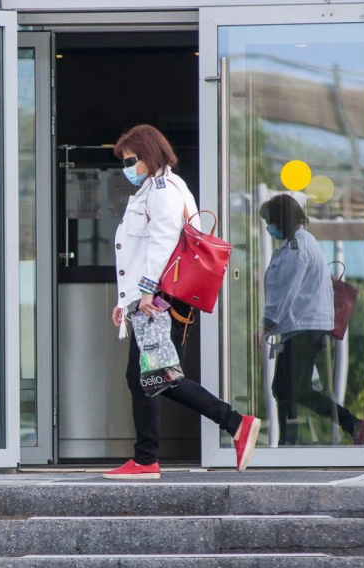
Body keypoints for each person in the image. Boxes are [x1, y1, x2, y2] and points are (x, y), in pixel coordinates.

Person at [103, 124, 261, 480]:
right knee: (150, 377)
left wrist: (144, 292)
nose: (126, 167)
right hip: (154, 298)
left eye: (130, 160)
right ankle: (148, 458)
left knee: (157, 377)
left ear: (147, 156)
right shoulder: (156, 189)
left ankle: (232, 424)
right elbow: (139, 251)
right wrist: (125, 300)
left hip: (159, 299)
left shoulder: (163, 190)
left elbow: (161, 243)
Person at [255, 194, 364, 446]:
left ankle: (353, 424)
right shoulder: (294, 244)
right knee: (284, 389)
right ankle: (289, 443)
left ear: (280, 219)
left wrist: (266, 324)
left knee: (296, 389)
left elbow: (286, 288)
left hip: (304, 327)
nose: (268, 227)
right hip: (299, 327)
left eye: (269, 220)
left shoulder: (299, 246)